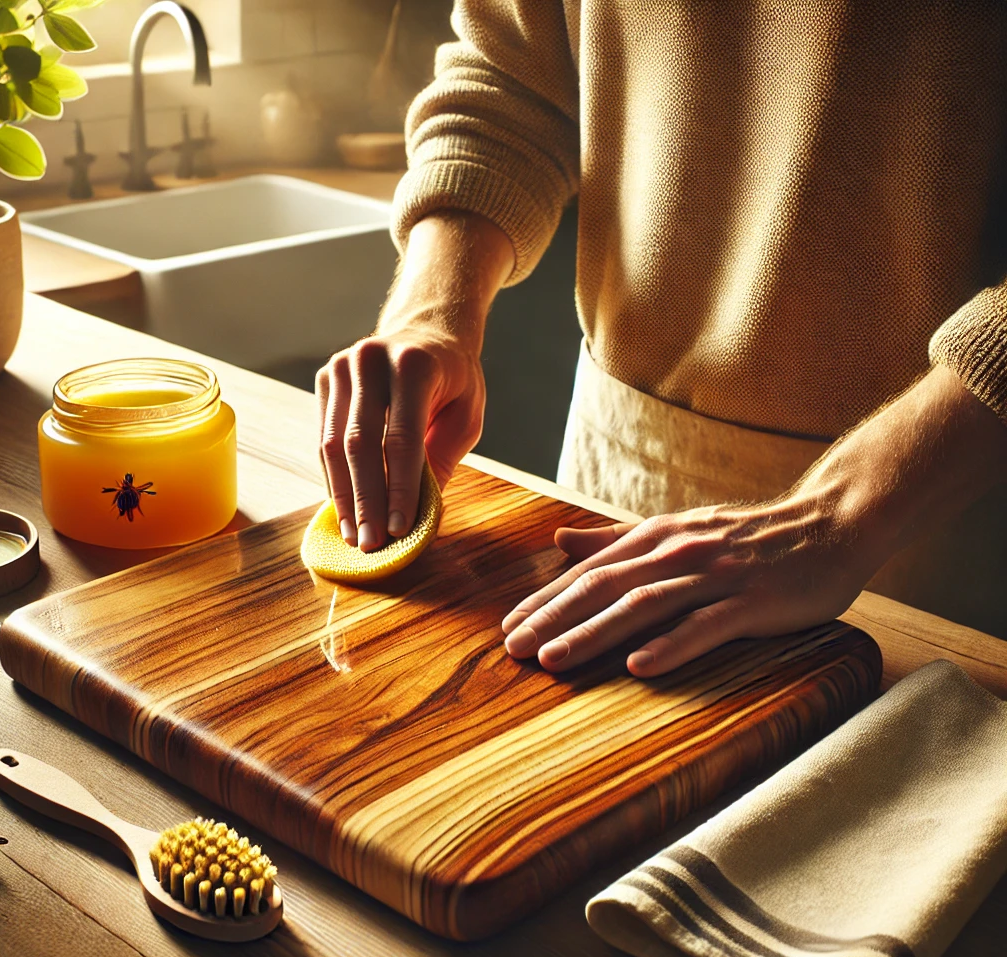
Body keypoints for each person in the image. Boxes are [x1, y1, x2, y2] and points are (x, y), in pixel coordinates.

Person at [317, 2, 1007, 676]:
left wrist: (843, 509)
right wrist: (430, 309)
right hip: (615, 470)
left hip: (931, 511)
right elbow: (511, 76)